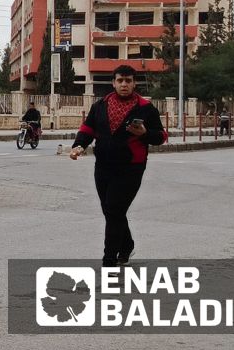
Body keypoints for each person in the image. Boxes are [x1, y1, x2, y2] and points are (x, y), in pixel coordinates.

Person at [68, 65, 167, 266]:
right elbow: (88, 128)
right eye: (120, 80)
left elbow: (161, 136)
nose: (124, 84)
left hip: (130, 168)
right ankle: (127, 244)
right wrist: (79, 145)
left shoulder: (146, 108)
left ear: (134, 83)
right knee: (111, 211)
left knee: (114, 210)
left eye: (128, 81)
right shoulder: (100, 105)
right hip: (103, 166)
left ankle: (109, 261)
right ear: (113, 82)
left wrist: (145, 134)